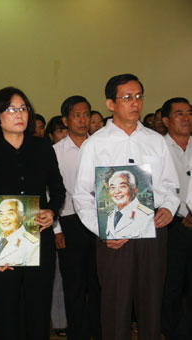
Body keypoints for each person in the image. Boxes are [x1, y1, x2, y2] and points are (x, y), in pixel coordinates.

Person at [73, 74, 180, 340]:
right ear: (110, 103)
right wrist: (103, 231)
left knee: (151, 306)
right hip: (114, 235)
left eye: (139, 96)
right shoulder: (95, 144)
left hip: (153, 231)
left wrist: (168, 206)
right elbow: (81, 195)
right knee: (115, 307)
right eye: (127, 97)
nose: (136, 103)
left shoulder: (156, 140)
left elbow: (170, 185)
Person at [0, 86, 65, 339]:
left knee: (37, 310)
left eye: (23, 108)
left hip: (39, 239)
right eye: (11, 109)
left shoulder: (43, 148)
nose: (19, 114)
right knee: (5, 313)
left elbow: (58, 190)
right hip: (1, 247)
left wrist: (52, 212)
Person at [54, 95, 101, 340]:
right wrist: (57, 229)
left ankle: (99, 331)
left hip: (99, 221)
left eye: (86, 115)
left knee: (99, 284)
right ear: (65, 119)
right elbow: (51, 193)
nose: (83, 120)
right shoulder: (56, 152)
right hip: (70, 222)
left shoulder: (101, 145)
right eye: (76, 115)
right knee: (74, 286)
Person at [160, 97, 192, 339]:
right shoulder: (157, 149)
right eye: (179, 113)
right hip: (172, 227)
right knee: (170, 287)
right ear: (165, 120)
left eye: (189, 113)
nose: (186, 118)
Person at [104, 170, 155, 239]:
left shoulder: (147, 217)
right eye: (113, 187)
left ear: (134, 190)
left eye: (122, 186)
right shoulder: (112, 215)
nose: (117, 191)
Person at [0, 198, 39, 266]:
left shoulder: (32, 244)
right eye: (1, 214)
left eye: (10, 213)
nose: (4, 218)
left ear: (22, 218)